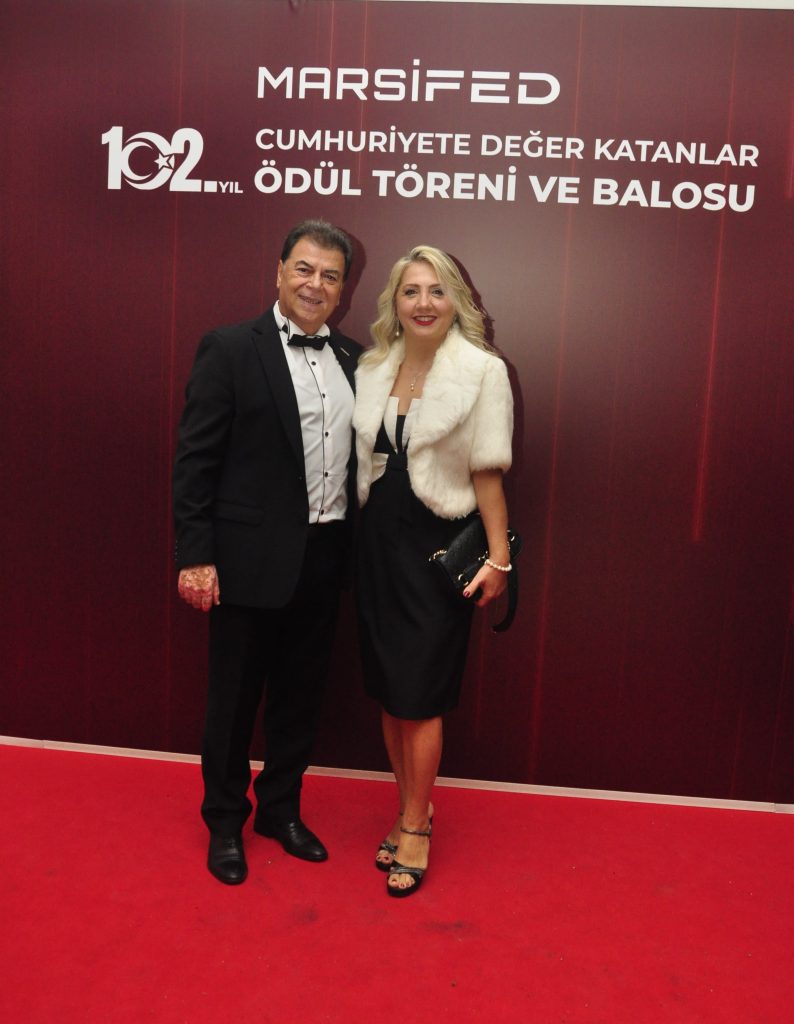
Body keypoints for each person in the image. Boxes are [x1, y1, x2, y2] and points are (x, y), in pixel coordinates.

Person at [173, 219, 362, 885]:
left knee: (299, 698)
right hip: (245, 560)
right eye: (304, 269)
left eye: (330, 276)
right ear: (279, 272)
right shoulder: (229, 348)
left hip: (326, 558)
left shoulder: (355, 360)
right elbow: (195, 461)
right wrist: (195, 556)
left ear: (343, 289)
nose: (315, 284)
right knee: (232, 702)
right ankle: (225, 821)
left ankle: (279, 810)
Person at [353, 245, 514, 897]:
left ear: (456, 301)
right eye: (411, 290)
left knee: (419, 697)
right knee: (391, 694)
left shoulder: (483, 372)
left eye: (436, 290)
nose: (423, 302)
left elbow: (488, 471)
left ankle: (417, 826)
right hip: (375, 544)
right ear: (395, 301)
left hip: (436, 547)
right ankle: (406, 809)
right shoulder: (372, 366)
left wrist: (499, 559)